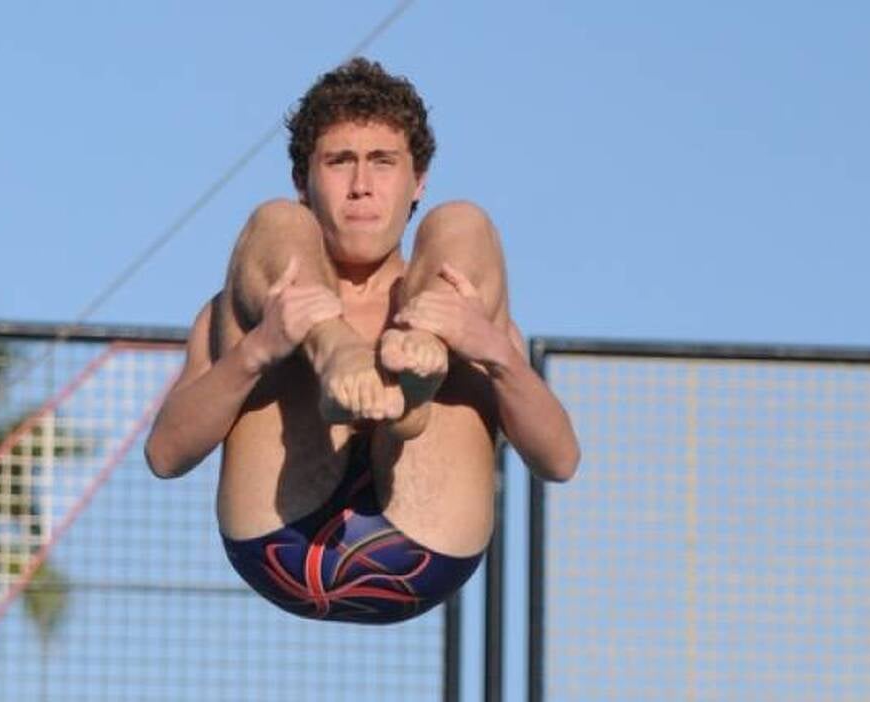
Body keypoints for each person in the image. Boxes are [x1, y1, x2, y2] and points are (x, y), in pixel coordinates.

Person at [145, 57, 579, 624]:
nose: (361, 187)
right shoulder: (252, 304)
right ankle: (333, 348)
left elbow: (560, 460)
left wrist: (492, 350)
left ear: (416, 179)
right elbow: (166, 454)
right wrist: (261, 349)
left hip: (426, 538)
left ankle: (412, 392)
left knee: (464, 223)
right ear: (305, 180)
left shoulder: (462, 303)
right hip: (284, 538)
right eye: (339, 162)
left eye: (383, 162)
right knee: (273, 224)